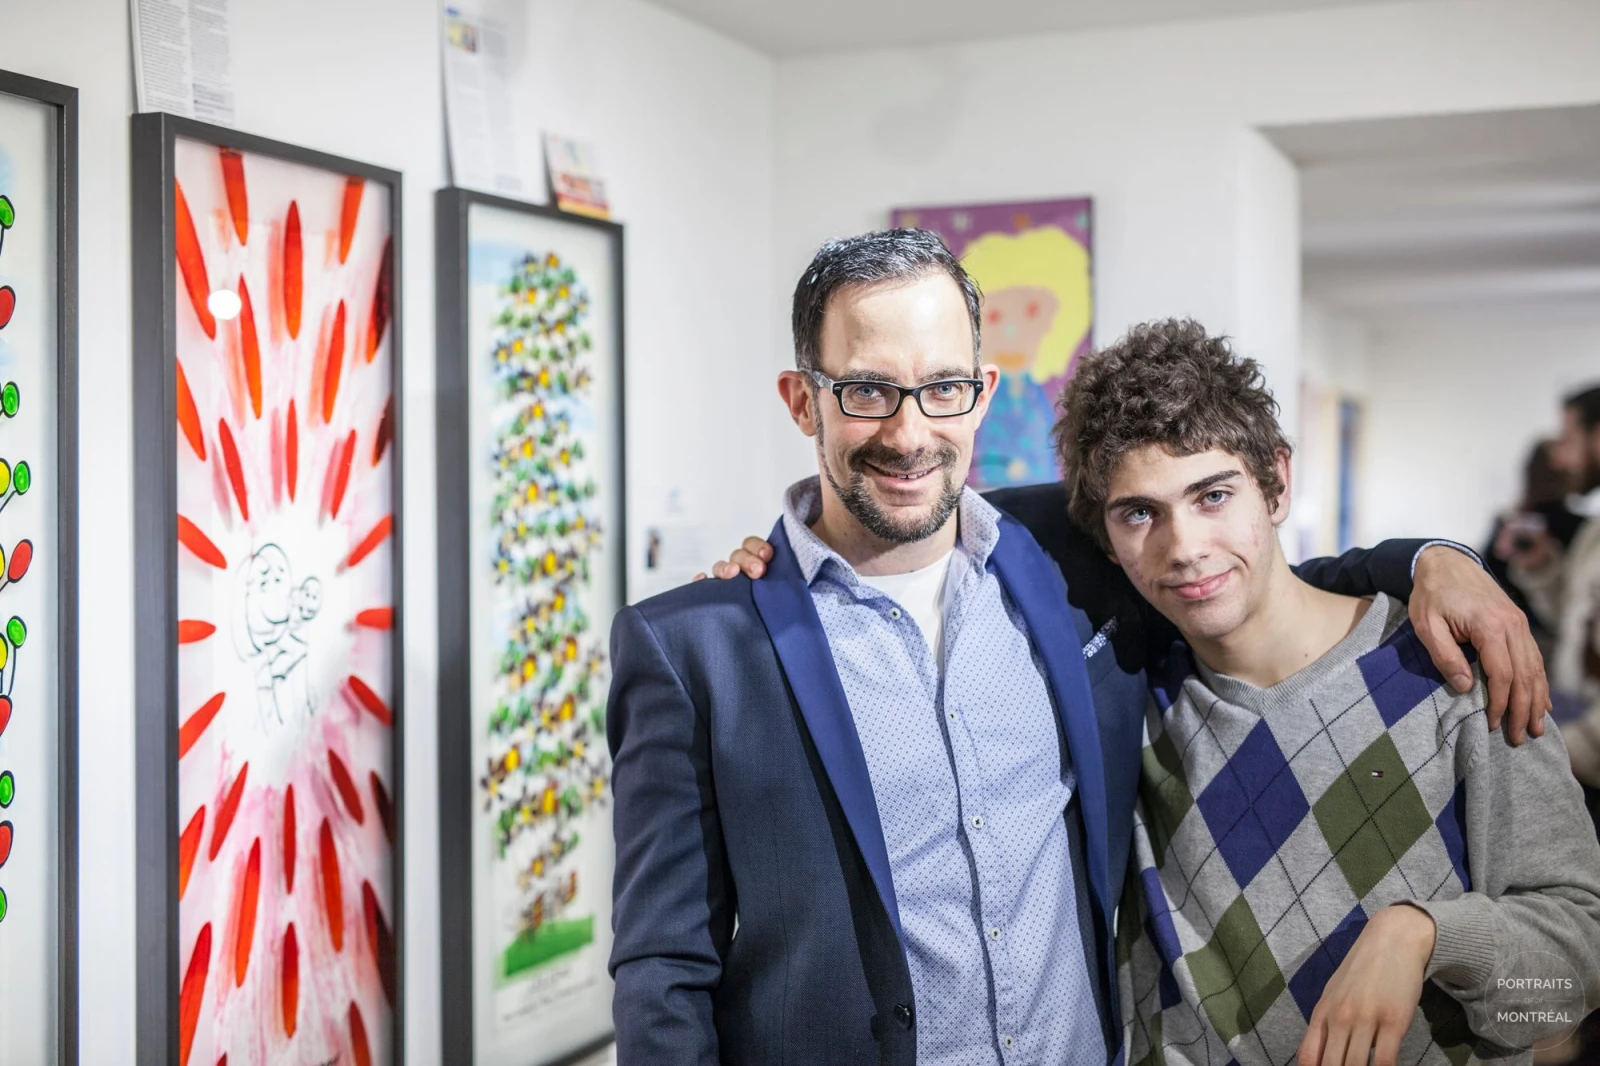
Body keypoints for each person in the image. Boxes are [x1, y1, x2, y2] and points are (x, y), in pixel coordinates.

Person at [610, 229, 1547, 1066]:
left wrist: (1433, 558)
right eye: (866, 390)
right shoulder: (696, 648)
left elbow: (1235, 572)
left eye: (942, 387)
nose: (909, 431)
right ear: (802, 400)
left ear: (981, 394)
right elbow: (663, 966)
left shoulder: (1063, 555)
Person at [1050, 321, 1600, 1066]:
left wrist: (1424, 934)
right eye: (1139, 513)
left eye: (1213, 495)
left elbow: (1574, 972)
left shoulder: (1457, 672)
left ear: (1276, 483)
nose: (1183, 548)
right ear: (1107, 537)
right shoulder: (1130, 702)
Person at [1505, 385, 1600, 782]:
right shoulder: (1594, 532)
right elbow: (1577, 620)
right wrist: (1541, 566)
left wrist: (1551, 754)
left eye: (1568, 439)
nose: (1559, 459)